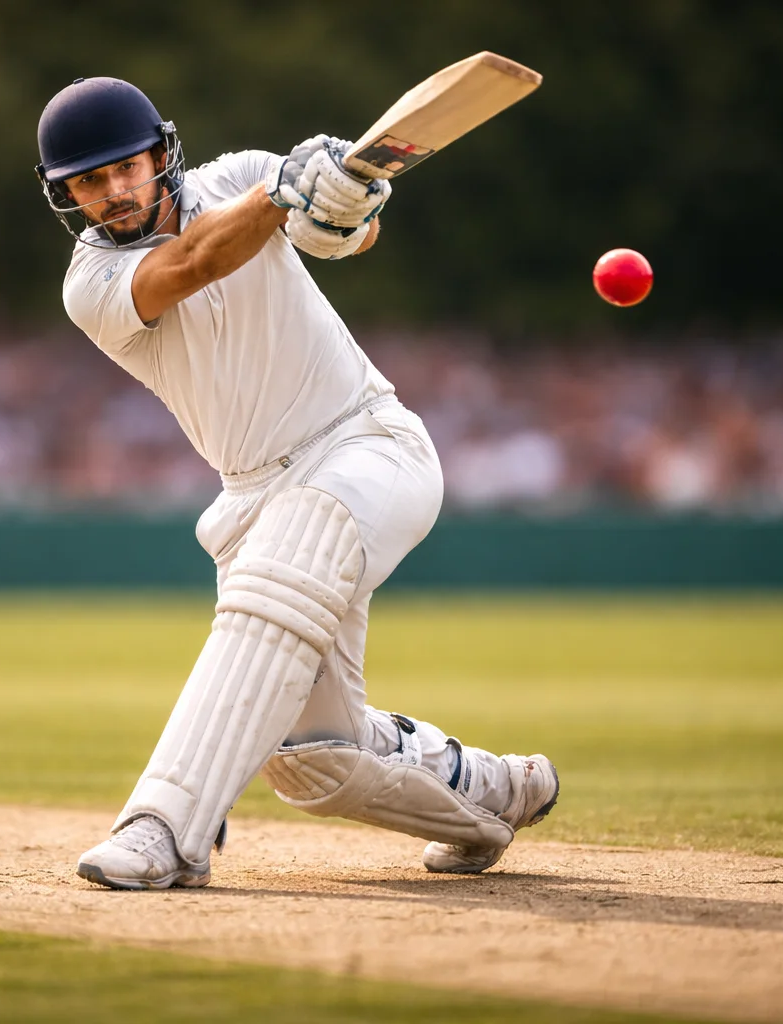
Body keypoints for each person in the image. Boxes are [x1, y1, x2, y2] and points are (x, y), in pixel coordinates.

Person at [37, 76, 558, 890]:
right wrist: (281, 192)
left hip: (367, 446)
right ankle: (501, 793)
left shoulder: (237, 172)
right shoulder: (90, 286)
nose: (114, 193)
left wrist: (344, 199)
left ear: (158, 153)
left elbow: (345, 238)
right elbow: (198, 258)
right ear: (67, 195)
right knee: (314, 761)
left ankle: (163, 829)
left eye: (125, 169)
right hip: (254, 495)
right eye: (90, 183)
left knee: (289, 559)